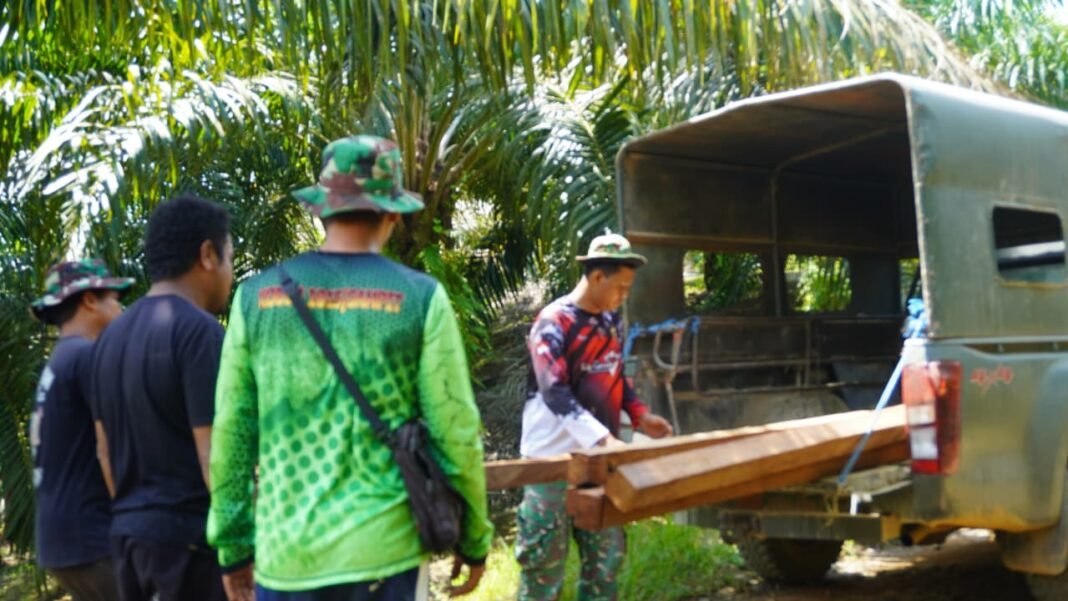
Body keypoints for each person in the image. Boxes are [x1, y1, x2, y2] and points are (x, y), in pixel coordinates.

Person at [207, 135, 493, 601]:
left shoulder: (255, 299)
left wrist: (234, 548)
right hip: (386, 557)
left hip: (286, 560)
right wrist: (474, 537)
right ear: (394, 213)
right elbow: (455, 430)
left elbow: (233, 436)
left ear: (321, 209)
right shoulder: (420, 299)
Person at [90, 195, 234, 601]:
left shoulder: (108, 340)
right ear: (207, 254)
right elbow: (213, 456)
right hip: (190, 546)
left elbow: (104, 454)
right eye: (229, 256)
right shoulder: (200, 333)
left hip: (130, 540)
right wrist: (241, 546)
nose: (231, 271)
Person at [517, 233, 674, 601]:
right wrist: (603, 439)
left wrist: (640, 415)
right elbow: (554, 392)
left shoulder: (611, 323)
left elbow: (614, 376)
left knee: (605, 566)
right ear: (597, 277)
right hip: (550, 464)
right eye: (620, 287)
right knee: (543, 570)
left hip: (599, 466)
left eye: (628, 288)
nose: (624, 295)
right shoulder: (552, 323)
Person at [29, 259, 132, 601]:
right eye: (114, 297)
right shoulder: (88, 358)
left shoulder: (60, 361)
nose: (120, 306)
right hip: (94, 539)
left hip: (62, 544)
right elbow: (109, 450)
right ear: (89, 300)